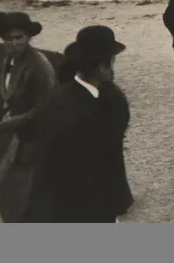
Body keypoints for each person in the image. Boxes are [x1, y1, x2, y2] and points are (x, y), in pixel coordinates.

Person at [25, 26, 133, 223]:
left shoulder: (55, 96)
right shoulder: (111, 103)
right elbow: (111, 157)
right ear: (102, 66)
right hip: (88, 203)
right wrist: (119, 202)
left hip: (52, 198)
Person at [0, 11, 56, 223]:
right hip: (21, 135)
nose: (14, 43)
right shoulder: (10, 58)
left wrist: (6, 124)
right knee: (3, 188)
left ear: (28, 38)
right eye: (9, 38)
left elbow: (45, 110)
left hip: (40, 138)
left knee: (21, 193)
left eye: (19, 38)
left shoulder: (39, 67)